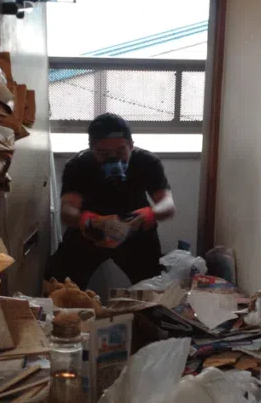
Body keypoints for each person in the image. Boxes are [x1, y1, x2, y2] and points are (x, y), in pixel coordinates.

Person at [47, 113, 176, 289]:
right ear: (92, 148)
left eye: (121, 151)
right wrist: (85, 220)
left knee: (153, 287)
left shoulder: (147, 162)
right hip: (91, 231)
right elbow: (68, 209)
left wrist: (149, 214)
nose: (113, 158)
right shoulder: (78, 165)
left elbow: (167, 204)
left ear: (131, 145)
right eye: (103, 153)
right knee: (59, 283)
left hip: (135, 229)